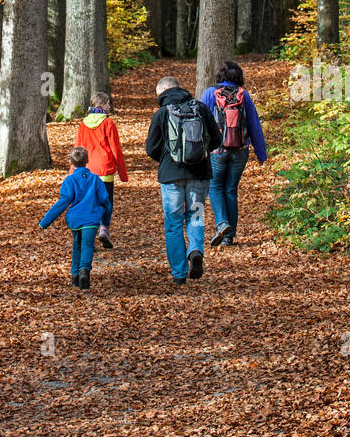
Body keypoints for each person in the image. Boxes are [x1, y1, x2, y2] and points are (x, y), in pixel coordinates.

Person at [145, 76, 221, 287]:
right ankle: (195, 250)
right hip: (199, 174)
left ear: (162, 92)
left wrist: (169, 157)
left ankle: (179, 272)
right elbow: (216, 139)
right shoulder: (200, 108)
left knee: (174, 224)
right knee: (196, 216)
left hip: (171, 177)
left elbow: (151, 148)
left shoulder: (161, 114)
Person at [201, 61, 267, 247]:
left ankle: (222, 224)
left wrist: (198, 151)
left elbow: (199, 120)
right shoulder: (243, 95)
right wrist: (261, 154)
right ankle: (229, 236)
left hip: (216, 151)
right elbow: (255, 125)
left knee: (214, 187)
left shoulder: (210, 94)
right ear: (238, 77)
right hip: (240, 150)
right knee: (230, 189)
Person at [38, 147, 112, 291]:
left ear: (71, 162)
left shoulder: (70, 180)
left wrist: (45, 222)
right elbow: (105, 201)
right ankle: (84, 271)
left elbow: (63, 202)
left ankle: (75, 276)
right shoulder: (95, 179)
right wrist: (106, 220)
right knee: (87, 245)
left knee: (77, 244)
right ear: (87, 161)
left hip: (75, 219)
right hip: (91, 219)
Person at [75, 91, 129, 250]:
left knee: (89, 203)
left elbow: (78, 148)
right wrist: (123, 174)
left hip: (87, 170)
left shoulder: (83, 124)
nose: (109, 106)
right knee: (106, 202)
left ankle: (88, 238)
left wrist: (74, 172)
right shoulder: (108, 123)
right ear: (101, 105)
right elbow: (116, 149)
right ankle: (104, 229)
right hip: (105, 170)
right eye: (107, 103)